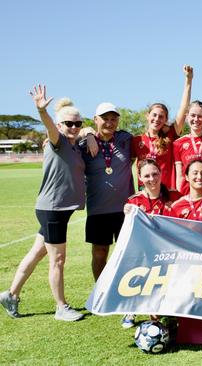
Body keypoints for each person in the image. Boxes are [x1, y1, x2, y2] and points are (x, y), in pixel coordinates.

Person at [0, 85, 85, 321]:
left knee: (37, 253)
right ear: (59, 125)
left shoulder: (75, 144)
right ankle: (61, 307)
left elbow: (85, 130)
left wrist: (86, 132)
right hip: (53, 209)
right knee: (57, 259)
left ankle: (11, 294)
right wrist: (41, 111)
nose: (74, 127)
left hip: (57, 209)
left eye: (78, 123)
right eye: (69, 123)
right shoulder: (56, 140)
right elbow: (49, 127)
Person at [120, 159, 181, 328]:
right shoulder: (134, 202)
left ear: (161, 173)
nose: (152, 179)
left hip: (170, 250)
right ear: (140, 178)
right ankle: (131, 307)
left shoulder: (176, 196)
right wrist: (127, 214)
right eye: (146, 175)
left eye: (155, 174)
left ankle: (168, 307)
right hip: (145, 252)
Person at [80, 102, 134, 281]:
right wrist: (87, 133)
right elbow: (66, 139)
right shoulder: (84, 145)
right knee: (99, 253)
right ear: (96, 120)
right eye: (104, 119)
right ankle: (100, 292)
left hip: (125, 209)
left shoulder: (125, 139)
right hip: (98, 210)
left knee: (126, 253)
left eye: (113, 119)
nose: (109, 123)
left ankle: (123, 292)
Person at [131, 65, 192, 190]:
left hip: (167, 192)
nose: (157, 119)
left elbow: (183, 108)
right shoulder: (137, 140)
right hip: (146, 193)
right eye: (154, 115)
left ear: (165, 119)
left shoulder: (170, 134)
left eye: (161, 117)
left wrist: (188, 80)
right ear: (147, 116)